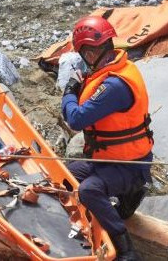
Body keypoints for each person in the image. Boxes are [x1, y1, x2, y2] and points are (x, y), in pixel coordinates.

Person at [62, 16, 153, 260]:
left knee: (89, 190)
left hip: (131, 166)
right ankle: (95, 214)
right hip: (113, 158)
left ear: (89, 54)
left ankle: (126, 249)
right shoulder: (118, 69)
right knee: (68, 175)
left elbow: (76, 119)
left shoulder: (114, 86)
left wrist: (69, 92)